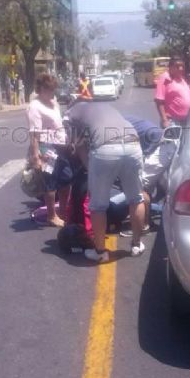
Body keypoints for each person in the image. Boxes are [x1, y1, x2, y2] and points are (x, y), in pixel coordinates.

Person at [64, 101, 147, 261]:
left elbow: (78, 146)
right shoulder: (103, 106)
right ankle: (137, 244)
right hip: (133, 145)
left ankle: (100, 252)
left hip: (106, 148)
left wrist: (90, 169)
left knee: (98, 205)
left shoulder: (69, 115)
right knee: (136, 198)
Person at [27, 74, 71, 227]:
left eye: (54, 89)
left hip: (61, 145)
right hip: (47, 146)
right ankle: (51, 216)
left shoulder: (53, 103)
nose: (53, 92)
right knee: (50, 182)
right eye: (50, 89)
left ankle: (64, 211)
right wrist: (35, 156)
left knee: (66, 178)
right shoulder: (35, 106)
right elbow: (34, 133)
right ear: (41, 89)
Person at [154, 55, 190, 128]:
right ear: (170, 67)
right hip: (172, 121)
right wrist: (164, 120)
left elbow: (188, 95)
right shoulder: (165, 78)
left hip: (186, 120)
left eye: (182, 66)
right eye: (177, 66)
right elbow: (159, 101)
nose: (181, 68)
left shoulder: (181, 79)